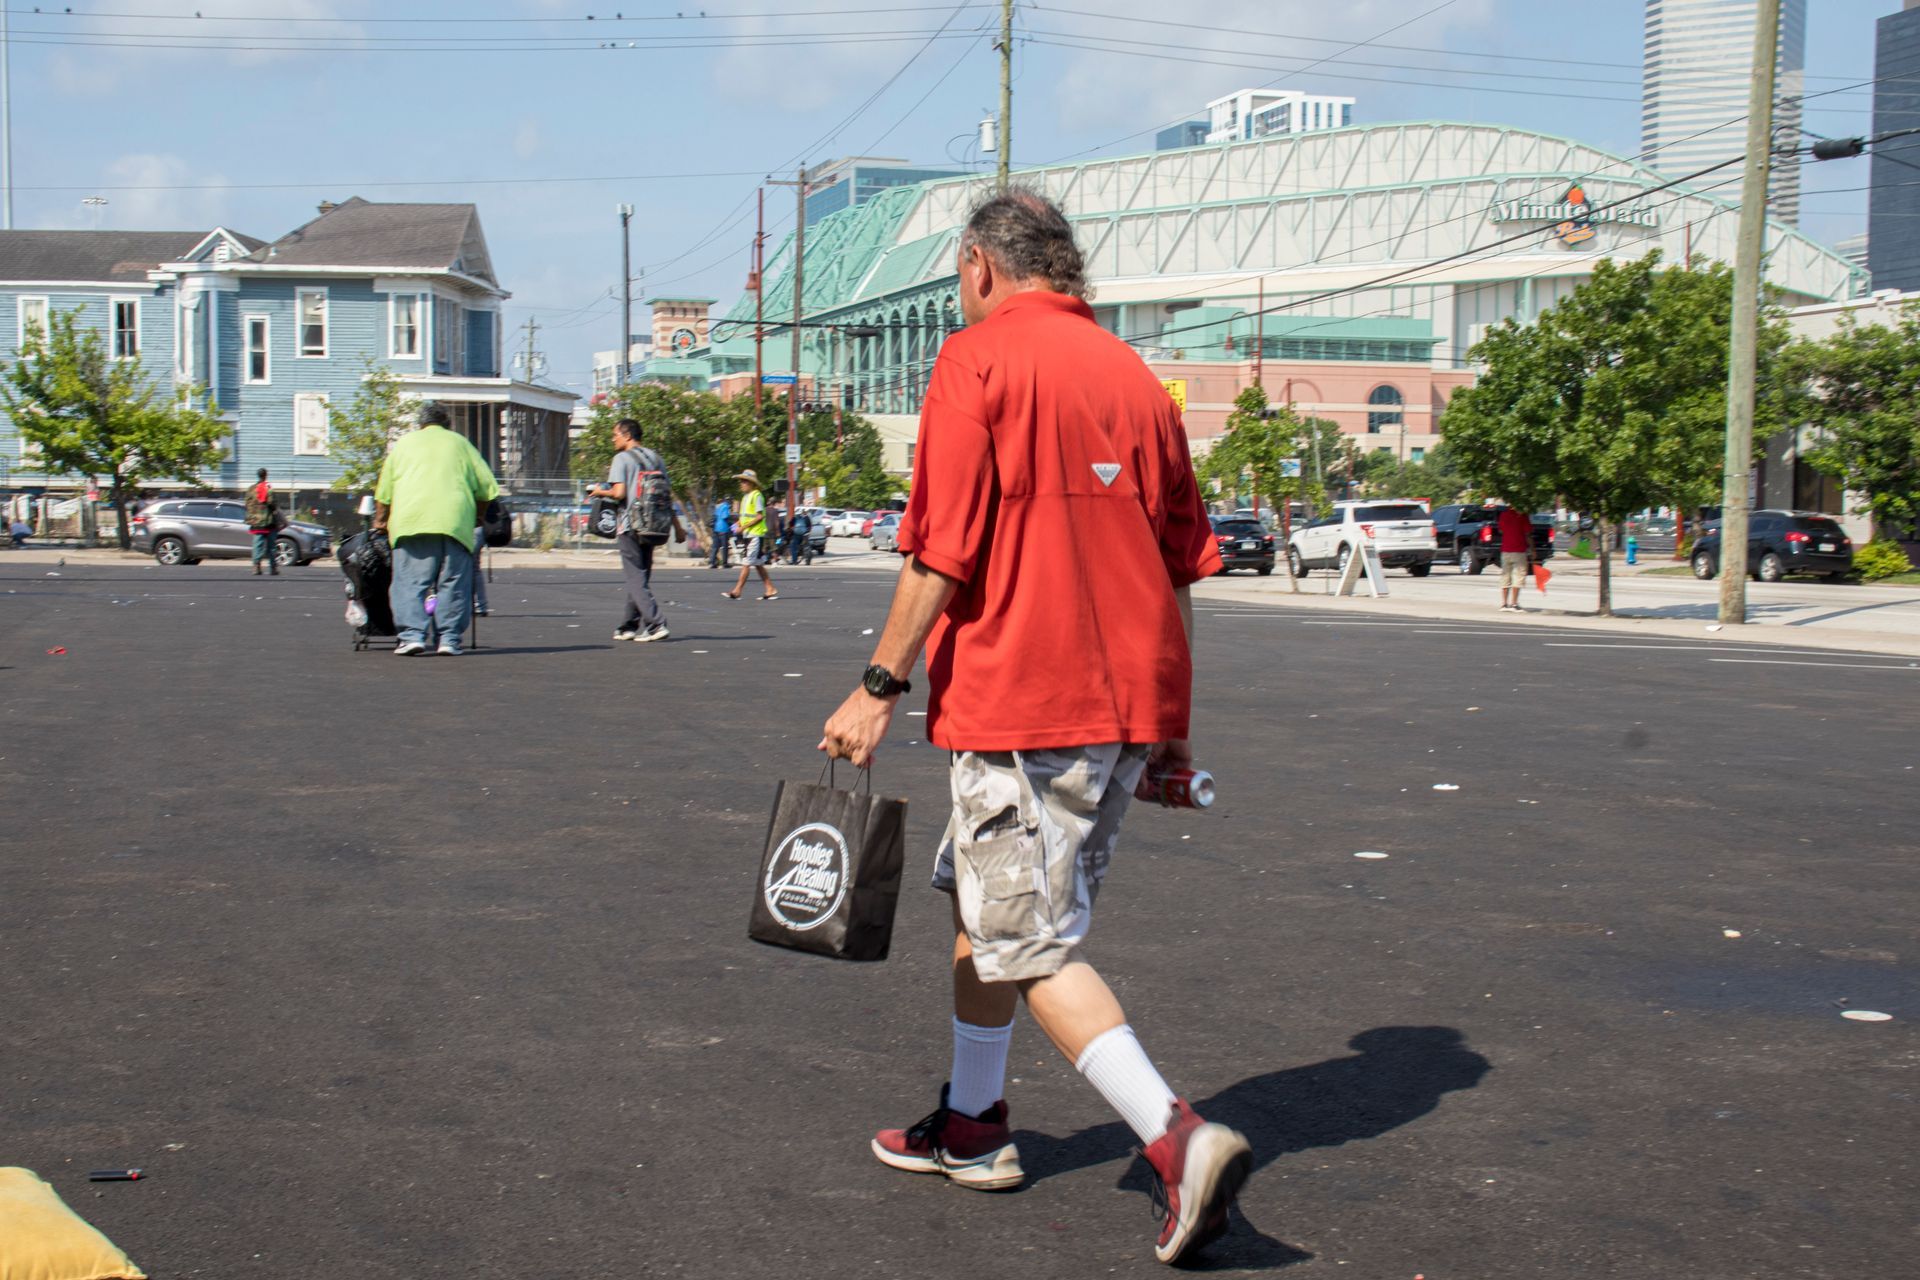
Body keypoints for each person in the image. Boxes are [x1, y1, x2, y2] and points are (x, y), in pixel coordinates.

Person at [817, 190, 1247, 1266]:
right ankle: (974, 1125)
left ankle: (1174, 1133)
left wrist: (878, 682)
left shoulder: (978, 362)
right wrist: (1174, 725)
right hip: (1120, 709)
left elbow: (942, 548)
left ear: (976, 266)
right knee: (984, 899)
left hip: (1023, 695)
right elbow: (1179, 567)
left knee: (1026, 936)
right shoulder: (1138, 381)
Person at [372, 401, 500, 657]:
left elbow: (384, 494)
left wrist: (380, 521)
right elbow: (487, 488)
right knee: (453, 582)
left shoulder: (404, 445)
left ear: (421, 423)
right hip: (455, 521)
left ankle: (412, 636)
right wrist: (478, 515)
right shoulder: (461, 444)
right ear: (447, 423)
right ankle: (449, 639)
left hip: (411, 520)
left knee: (410, 582)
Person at [585, 418, 673, 643]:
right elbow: (666, 494)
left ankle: (655, 624)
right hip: (654, 524)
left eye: (615, 434)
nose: (613, 439)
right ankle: (628, 625)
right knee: (641, 576)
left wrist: (598, 491)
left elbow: (619, 493)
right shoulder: (656, 458)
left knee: (635, 577)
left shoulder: (621, 458)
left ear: (627, 435)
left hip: (629, 525)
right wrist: (677, 527)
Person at [722, 470, 777, 602]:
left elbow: (760, 516)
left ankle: (737, 590)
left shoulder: (756, 495)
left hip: (755, 534)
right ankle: (770, 589)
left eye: (744, 481)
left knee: (746, 563)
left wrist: (743, 527)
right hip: (748, 534)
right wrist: (737, 524)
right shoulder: (745, 497)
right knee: (758, 564)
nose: (742, 483)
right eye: (741, 481)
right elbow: (745, 517)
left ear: (752, 483)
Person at [1496, 504, 1535, 612]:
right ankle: (1514, 604)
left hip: (1505, 551)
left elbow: (1501, 530)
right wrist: (1532, 549)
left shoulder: (1503, 515)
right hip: (1519, 550)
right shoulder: (1522, 515)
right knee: (1518, 577)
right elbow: (1527, 534)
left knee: (1505, 576)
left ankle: (1504, 604)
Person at [246, 468, 278, 576]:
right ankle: (273, 568)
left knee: (257, 545)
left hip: (255, 521)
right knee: (271, 546)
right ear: (266, 475)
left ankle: (256, 566)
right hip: (268, 521)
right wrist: (274, 510)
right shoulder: (268, 487)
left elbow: (247, 504)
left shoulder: (251, 489)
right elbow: (271, 502)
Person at [708, 496, 733, 570]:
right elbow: (725, 517)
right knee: (725, 547)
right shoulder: (726, 506)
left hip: (716, 529)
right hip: (723, 529)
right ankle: (724, 563)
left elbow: (715, 516)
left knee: (715, 547)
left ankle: (712, 563)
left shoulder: (719, 507)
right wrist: (731, 524)